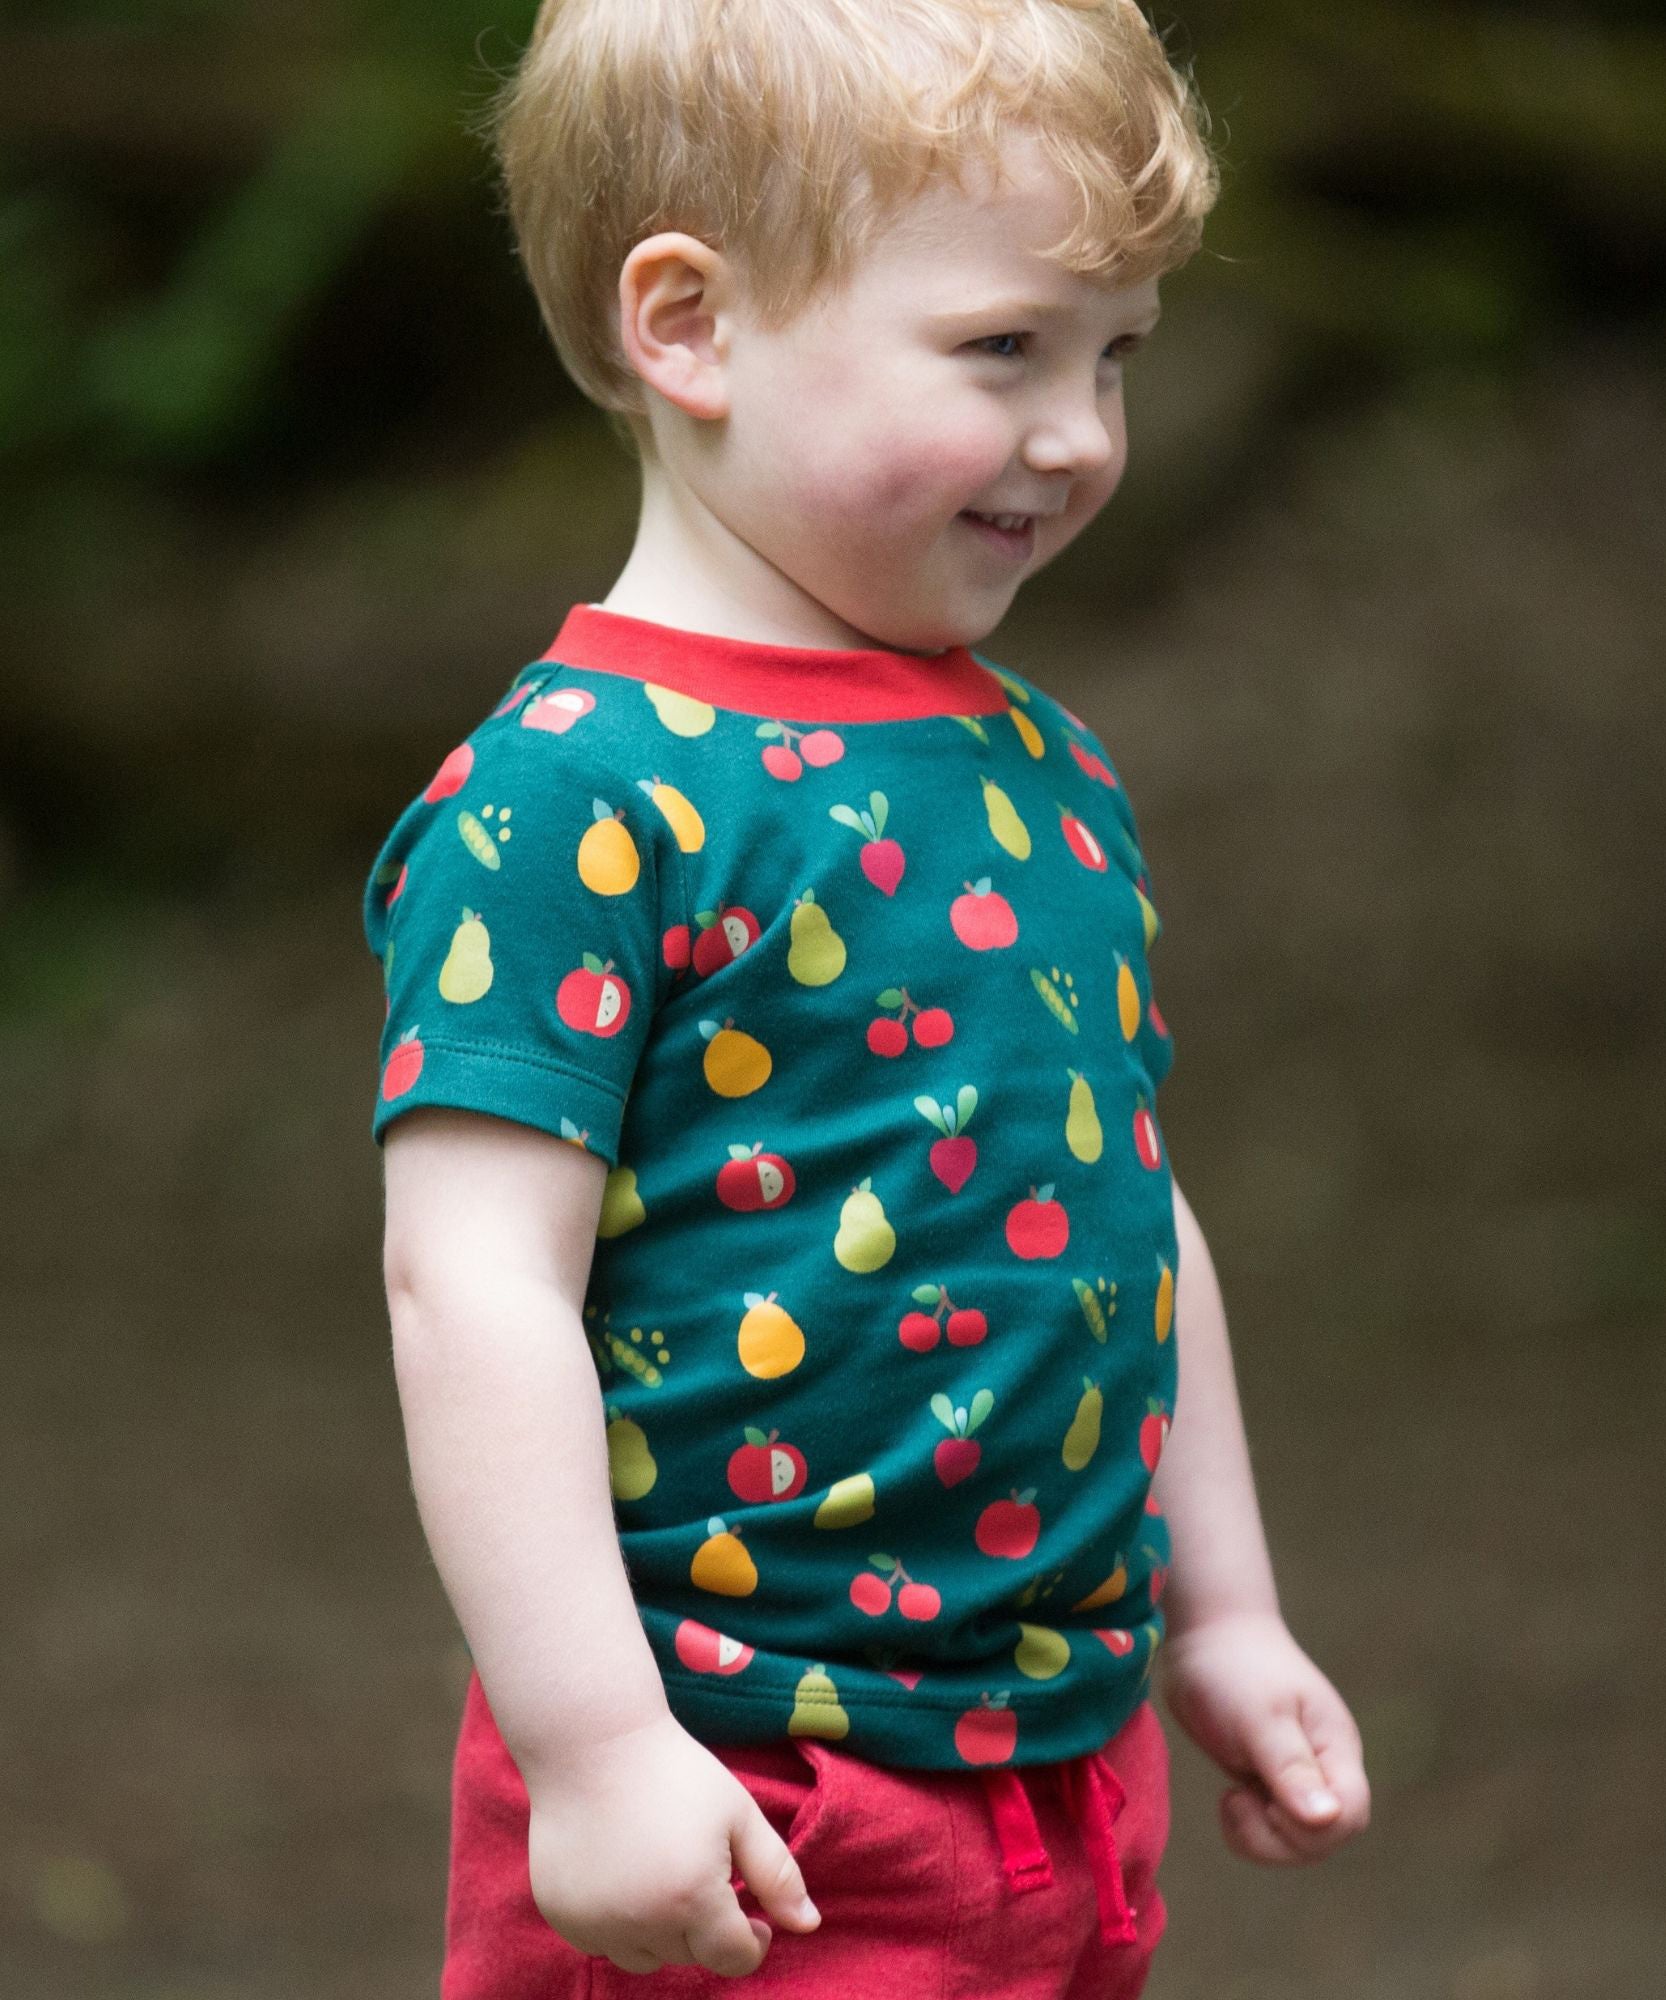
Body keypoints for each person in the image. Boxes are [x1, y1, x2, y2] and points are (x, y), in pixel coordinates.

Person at [364, 2, 1371, 1993]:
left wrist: (1219, 1614)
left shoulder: (1044, 769)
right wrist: (592, 1750)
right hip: (742, 1795)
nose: (1079, 432)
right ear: (691, 326)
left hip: (1051, 1772)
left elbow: (1117, 1205)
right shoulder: (575, 789)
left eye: (1115, 357)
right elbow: (470, 1285)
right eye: (1003, 347)